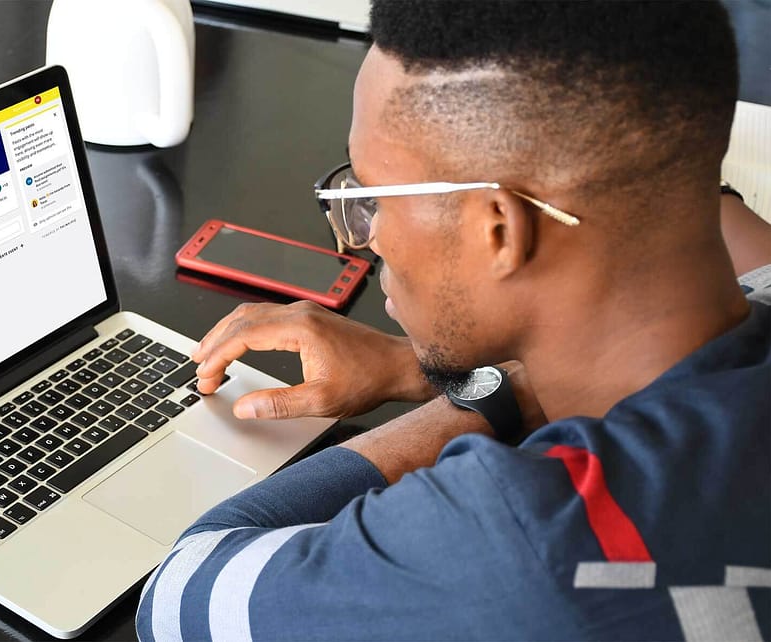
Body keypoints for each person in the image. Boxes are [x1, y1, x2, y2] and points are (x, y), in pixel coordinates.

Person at [136, 1, 771, 640]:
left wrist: (483, 396)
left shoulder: (525, 540)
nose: (365, 237)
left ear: (498, 231)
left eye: (373, 197)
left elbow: (178, 593)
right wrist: (414, 363)